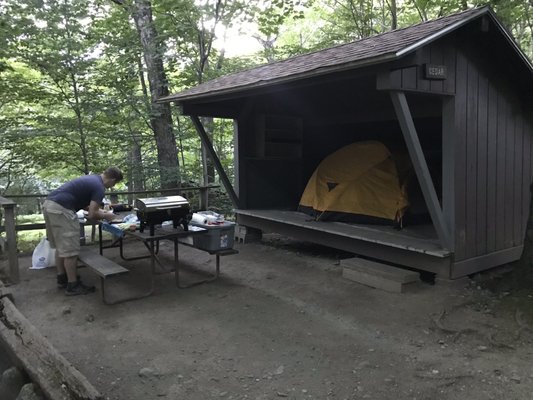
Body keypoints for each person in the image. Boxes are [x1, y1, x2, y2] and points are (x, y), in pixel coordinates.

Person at [43, 167, 123, 296]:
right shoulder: (99, 187)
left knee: (61, 246)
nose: (111, 187)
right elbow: (92, 214)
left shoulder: (92, 179)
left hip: (50, 204)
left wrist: (102, 212)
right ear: (112, 179)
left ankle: (62, 278)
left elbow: (87, 205)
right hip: (63, 209)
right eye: (114, 184)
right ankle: (72, 285)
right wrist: (108, 216)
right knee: (71, 251)